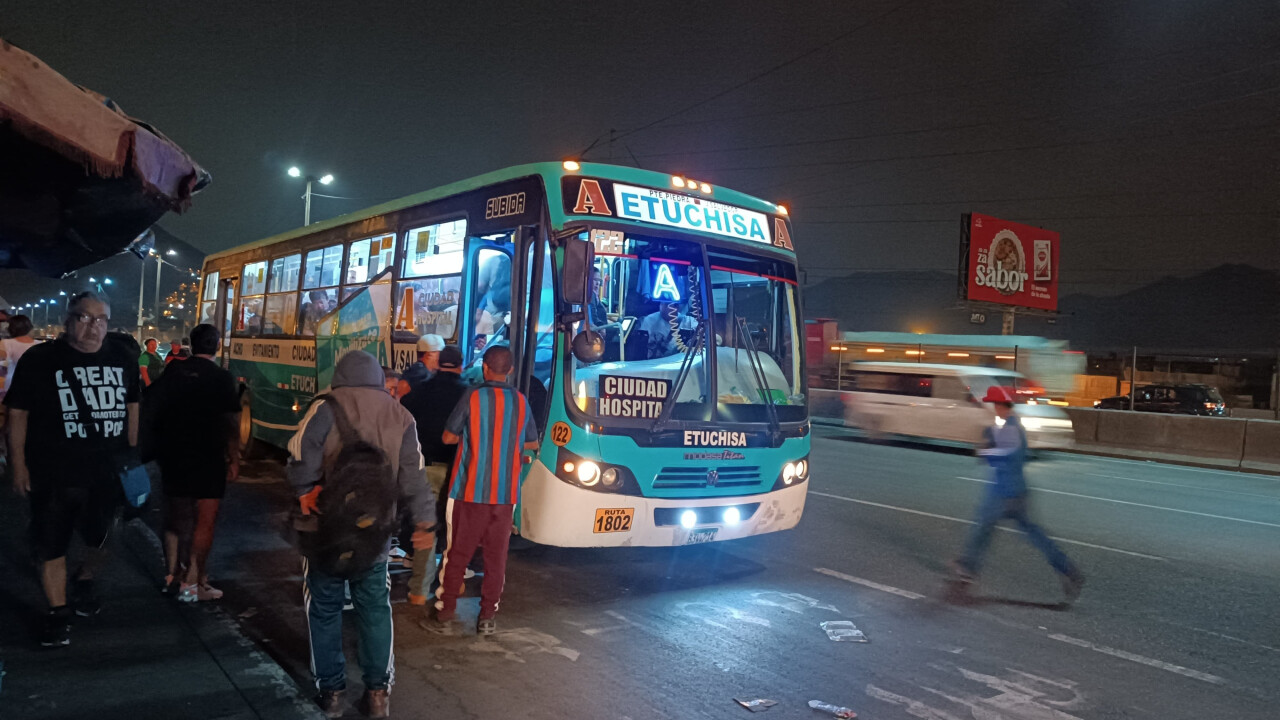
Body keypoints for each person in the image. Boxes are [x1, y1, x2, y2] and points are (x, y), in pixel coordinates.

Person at [287, 350, 435, 719]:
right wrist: (424, 522)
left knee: (323, 608)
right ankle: (378, 693)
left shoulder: (325, 407)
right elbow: (414, 476)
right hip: (375, 534)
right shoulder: (400, 415)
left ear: (339, 377)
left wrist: (304, 489)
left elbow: (299, 453)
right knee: (374, 609)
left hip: (324, 530)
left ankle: (332, 692)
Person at [4, 292, 141, 647]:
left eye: (101, 319)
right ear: (68, 320)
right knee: (51, 543)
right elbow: (17, 414)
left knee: (105, 537)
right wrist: (18, 465)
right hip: (54, 470)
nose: (93, 326)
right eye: (84, 317)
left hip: (107, 471)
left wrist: (131, 456)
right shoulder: (41, 359)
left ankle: (84, 578)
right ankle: (58, 613)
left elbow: (132, 406)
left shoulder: (122, 357)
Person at [424, 345, 538, 637]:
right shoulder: (521, 401)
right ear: (510, 370)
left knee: (457, 553)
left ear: (485, 367)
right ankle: (487, 617)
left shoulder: (473, 396)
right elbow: (531, 443)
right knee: (496, 558)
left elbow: (448, 437)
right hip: (505, 495)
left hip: (469, 491)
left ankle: (445, 611)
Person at [949, 386, 1086, 604]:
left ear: (1000, 406)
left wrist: (984, 450)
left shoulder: (1009, 429)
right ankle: (1067, 569)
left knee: (981, 530)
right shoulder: (1015, 426)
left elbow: (999, 455)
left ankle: (967, 570)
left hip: (1002, 493)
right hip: (1019, 491)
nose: (994, 408)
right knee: (1035, 535)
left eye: (995, 404)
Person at [146, 324, 241, 602]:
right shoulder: (222, 378)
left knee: (176, 517)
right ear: (217, 345)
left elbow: (153, 405)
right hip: (209, 454)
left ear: (191, 344)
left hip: (174, 453)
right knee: (204, 522)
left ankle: (172, 576)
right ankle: (193, 583)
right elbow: (231, 421)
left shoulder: (174, 371)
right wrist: (234, 457)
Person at [398, 345, 467, 606]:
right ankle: (451, 581)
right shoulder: (468, 394)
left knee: (425, 525)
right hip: (454, 468)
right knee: (453, 527)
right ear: (461, 365)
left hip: (422, 466)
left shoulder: (420, 389)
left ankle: (419, 588)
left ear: (438, 364)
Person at [0, 314, 40, 400]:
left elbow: (2, 366)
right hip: (36, 387)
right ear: (29, 328)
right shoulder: (40, 344)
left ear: (11, 329)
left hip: (11, 388)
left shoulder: (6, 343)